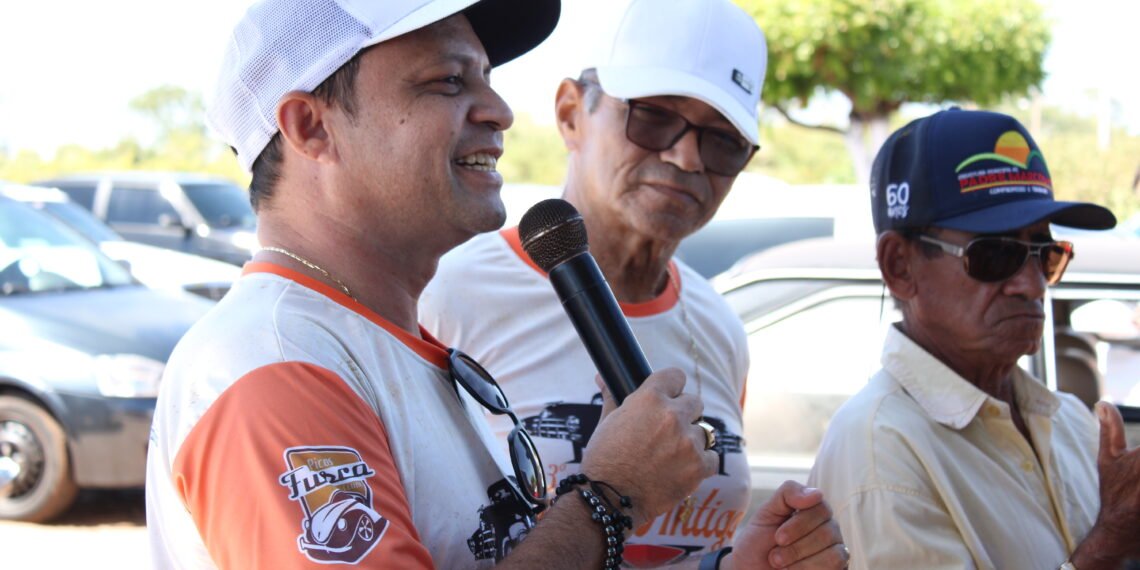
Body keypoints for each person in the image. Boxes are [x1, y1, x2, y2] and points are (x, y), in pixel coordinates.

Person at [144, 1, 751, 568]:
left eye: (486, 77)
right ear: (311, 127)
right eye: (449, 81)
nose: (500, 111)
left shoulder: (379, 342)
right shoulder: (274, 365)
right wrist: (613, 495)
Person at [420, 0, 846, 568]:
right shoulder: (447, 295)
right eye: (653, 116)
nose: (687, 156)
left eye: (724, 142)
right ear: (571, 114)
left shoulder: (718, 324)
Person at [808, 108, 1140, 569]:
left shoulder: (1069, 423)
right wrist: (1108, 543)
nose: (1031, 284)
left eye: (1046, 255)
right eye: (994, 254)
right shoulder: (880, 449)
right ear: (900, 267)